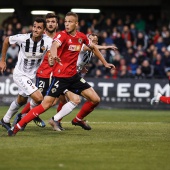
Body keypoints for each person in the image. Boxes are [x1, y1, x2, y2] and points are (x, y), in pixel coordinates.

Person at [9, 12, 115, 136]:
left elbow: (93, 47)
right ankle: (17, 126)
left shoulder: (81, 37)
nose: (67, 24)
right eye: (65, 22)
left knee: (95, 99)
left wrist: (105, 63)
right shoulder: (62, 36)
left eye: (70, 22)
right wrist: (54, 55)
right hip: (60, 78)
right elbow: (54, 45)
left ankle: (76, 120)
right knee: (46, 104)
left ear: (76, 23)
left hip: (74, 77)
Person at [0, 17, 53, 132]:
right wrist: (2, 60)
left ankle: (5, 120)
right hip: (20, 74)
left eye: (39, 28)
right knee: (39, 98)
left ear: (43, 30)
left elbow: (53, 51)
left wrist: (52, 58)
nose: (35, 29)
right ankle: (31, 115)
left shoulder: (48, 41)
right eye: (34, 26)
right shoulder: (23, 38)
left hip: (31, 76)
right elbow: (6, 40)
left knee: (22, 101)